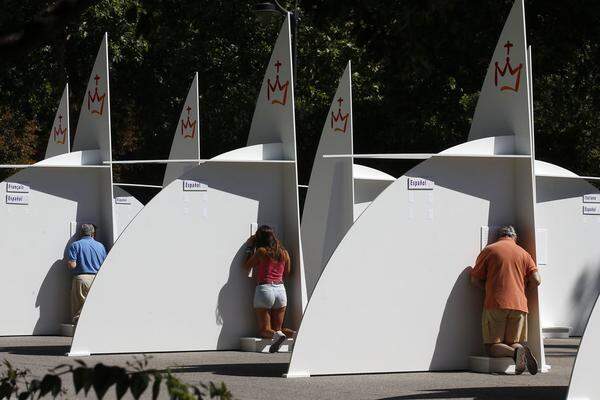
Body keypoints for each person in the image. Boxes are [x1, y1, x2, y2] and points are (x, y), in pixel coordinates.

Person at [469, 225, 542, 375]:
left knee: (492, 346)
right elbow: (537, 280)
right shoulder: (524, 253)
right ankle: (519, 350)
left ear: (499, 236)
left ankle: (516, 354)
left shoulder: (490, 250)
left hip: (496, 303)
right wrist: (523, 289)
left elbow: (474, 279)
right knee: (513, 342)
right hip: (520, 305)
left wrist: (489, 289)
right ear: (515, 237)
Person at [244, 225, 294, 353]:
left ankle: (278, 337)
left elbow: (246, 266)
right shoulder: (284, 253)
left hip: (265, 289)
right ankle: (296, 334)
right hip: (281, 290)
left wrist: (250, 246)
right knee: (278, 329)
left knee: (265, 330)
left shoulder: (261, 251)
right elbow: (287, 273)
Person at [67, 223, 107, 324]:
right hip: (97, 278)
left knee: (79, 307)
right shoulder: (101, 246)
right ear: (93, 234)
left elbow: (72, 265)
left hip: (82, 279)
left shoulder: (75, 245)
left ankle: (78, 328)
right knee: (93, 305)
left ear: (81, 233)